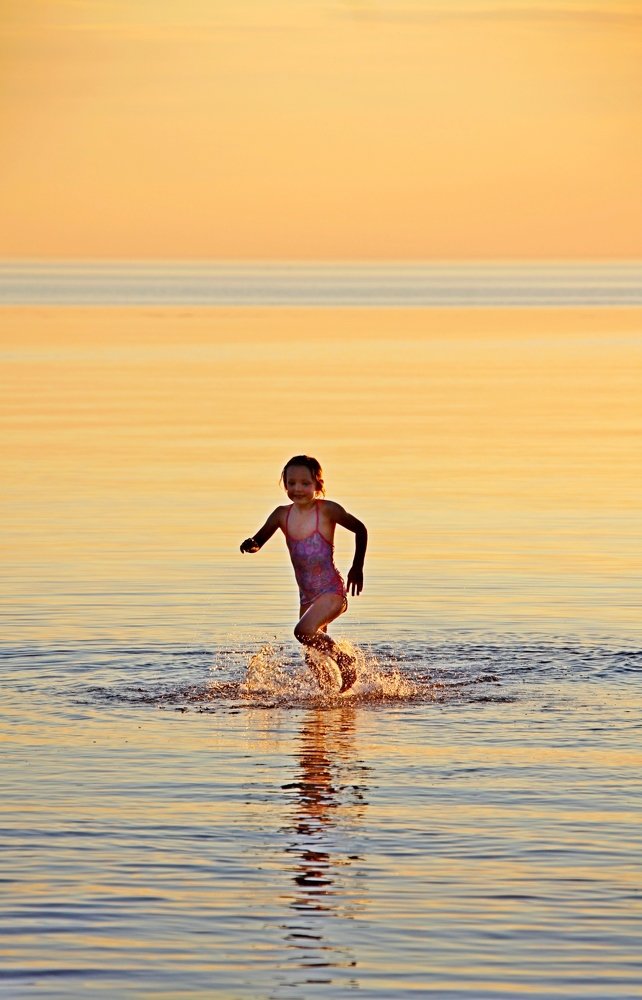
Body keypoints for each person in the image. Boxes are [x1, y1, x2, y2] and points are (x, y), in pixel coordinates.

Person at [240, 455, 367, 693]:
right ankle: (330, 700)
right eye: (292, 483)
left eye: (305, 483)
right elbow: (260, 539)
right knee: (312, 658)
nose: (297, 489)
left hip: (331, 592)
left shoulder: (328, 510)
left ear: (318, 484)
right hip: (307, 596)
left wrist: (357, 566)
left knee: (302, 631)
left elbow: (360, 529)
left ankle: (344, 661)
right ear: (285, 484)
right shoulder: (281, 515)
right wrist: (252, 544)